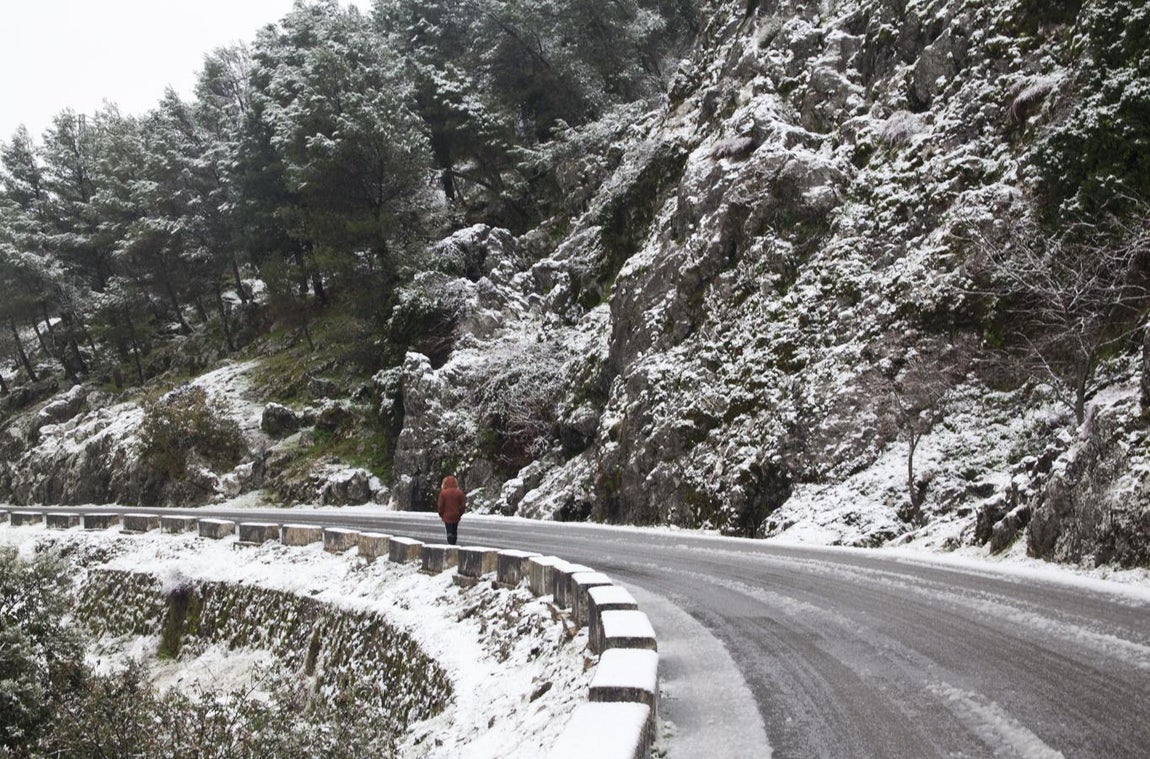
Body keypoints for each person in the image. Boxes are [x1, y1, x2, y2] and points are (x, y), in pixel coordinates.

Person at [437, 475, 466, 545]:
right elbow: (463, 505)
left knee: (449, 531)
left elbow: (440, 506)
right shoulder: (459, 493)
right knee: (454, 530)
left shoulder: (443, 493)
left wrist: (441, 514)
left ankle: (450, 544)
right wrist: (460, 513)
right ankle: (454, 542)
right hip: (456, 515)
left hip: (447, 516)